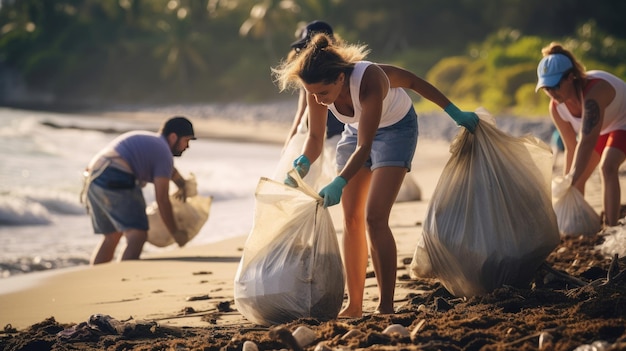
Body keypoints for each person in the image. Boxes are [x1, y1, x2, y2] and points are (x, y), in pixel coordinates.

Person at [272, 33, 478, 317]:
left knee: (375, 217)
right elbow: (316, 138)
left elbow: (411, 86)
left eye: (323, 94)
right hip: (355, 132)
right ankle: (354, 305)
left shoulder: (370, 78)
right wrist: (303, 163)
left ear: (340, 80)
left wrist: (454, 112)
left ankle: (385, 306)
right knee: (351, 219)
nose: (318, 101)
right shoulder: (315, 89)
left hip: (396, 130)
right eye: (313, 94)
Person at [83, 116, 196, 264]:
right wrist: (175, 233)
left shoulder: (154, 144)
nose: (187, 146)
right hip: (114, 175)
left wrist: (182, 184)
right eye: (186, 140)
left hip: (94, 178)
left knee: (112, 235)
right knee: (138, 234)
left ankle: (95, 281)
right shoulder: (163, 153)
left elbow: (170, 171)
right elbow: (162, 200)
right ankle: (124, 279)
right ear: (173, 137)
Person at [536, 42, 626, 226]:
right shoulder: (556, 107)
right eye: (546, 88)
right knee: (576, 181)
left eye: (555, 86)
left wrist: (570, 179)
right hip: (603, 127)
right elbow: (571, 147)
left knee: (607, 167)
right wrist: (569, 183)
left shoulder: (594, 92)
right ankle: (578, 226)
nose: (551, 93)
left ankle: (611, 228)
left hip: (623, 119)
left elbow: (586, 141)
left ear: (571, 77)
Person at [283, 20, 345, 150]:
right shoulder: (343, 68)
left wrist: (289, 146)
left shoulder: (314, 75)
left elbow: (301, 114)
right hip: (336, 137)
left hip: (337, 138)